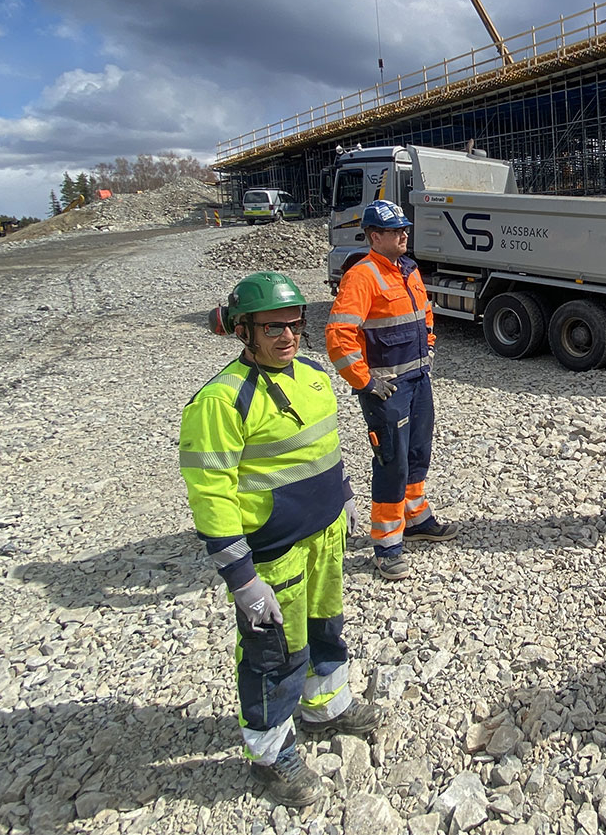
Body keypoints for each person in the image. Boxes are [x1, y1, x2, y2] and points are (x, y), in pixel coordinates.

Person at [179, 271, 381, 808]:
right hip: (274, 558)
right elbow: (212, 496)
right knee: (274, 656)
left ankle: (325, 707)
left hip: (324, 542)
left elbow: (324, 448)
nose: (288, 336)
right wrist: (242, 580)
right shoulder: (221, 402)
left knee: (325, 631)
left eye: (294, 325)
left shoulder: (312, 376)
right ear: (243, 331)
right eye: (272, 328)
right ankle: (269, 754)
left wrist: (344, 497)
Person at [325, 199, 455, 582]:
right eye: (395, 230)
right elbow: (338, 336)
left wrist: (428, 347)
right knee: (391, 462)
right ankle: (386, 546)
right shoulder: (362, 276)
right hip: (386, 391)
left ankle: (416, 519)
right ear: (373, 236)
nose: (404, 234)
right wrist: (365, 382)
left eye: (404, 229)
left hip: (417, 383)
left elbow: (424, 315)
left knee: (417, 454)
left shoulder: (407, 270)